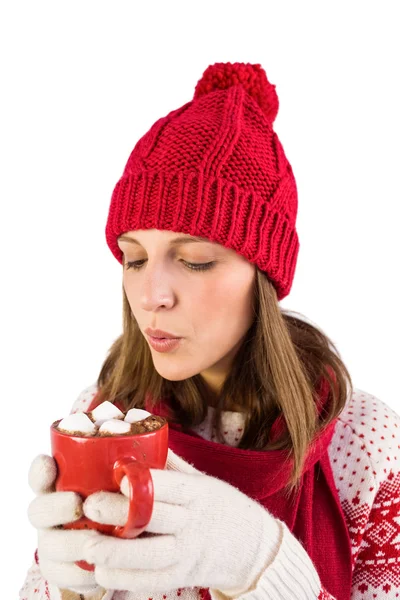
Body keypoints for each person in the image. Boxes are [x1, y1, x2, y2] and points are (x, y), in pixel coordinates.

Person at [20, 62, 400, 600]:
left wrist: (265, 567)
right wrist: (68, 591)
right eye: (133, 258)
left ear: (263, 277)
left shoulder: (366, 445)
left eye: (195, 260)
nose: (152, 296)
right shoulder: (101, 419)